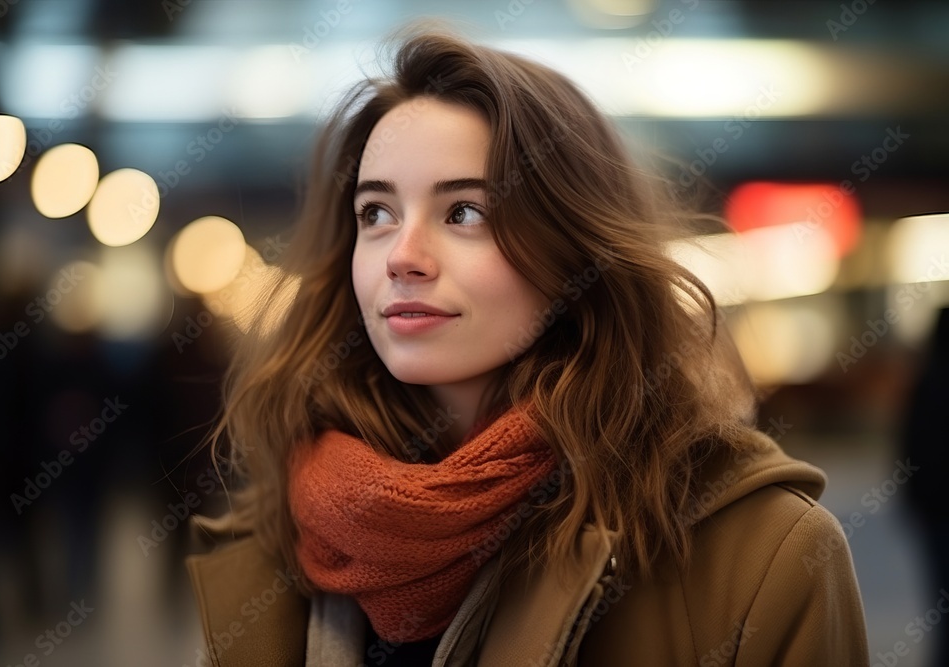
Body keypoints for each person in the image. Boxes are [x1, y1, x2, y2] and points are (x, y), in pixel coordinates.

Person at [185, 23, 869, 666]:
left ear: (574, 255)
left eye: (464, 211)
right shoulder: (274, 539)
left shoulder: (765, 557)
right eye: (377, 213)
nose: (403, 256)